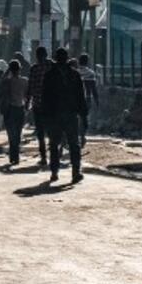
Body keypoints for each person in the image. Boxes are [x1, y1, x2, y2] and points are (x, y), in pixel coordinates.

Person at [40, 48, 87, 184]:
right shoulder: (74, 75)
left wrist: (45, 116)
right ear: (67, 58)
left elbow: (45, 97)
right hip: (70, 114)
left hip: (55, 115)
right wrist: (83, 114)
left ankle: (55, 171)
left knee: (55, 144)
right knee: (73, 144)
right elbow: (81, 96)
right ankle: (75, 171)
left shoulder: (50, 75)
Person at [25, 47, 51, 168]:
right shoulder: (52, 66)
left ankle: (44, 157)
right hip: (51, 105)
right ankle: (54, 153)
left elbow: (30, 87)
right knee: (52, 131)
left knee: (40, 133)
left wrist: (27, 102)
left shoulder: (34, 69)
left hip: (38, 105)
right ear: (46, 55)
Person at [0, 60, 29, 166]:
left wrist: (8, 71)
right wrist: (27, 106)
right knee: (18, 134)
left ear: (10, 70)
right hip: (20, 109)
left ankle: (13, 156)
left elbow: (1, 81)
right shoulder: (25, 81)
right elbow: (28, 95)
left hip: (10, 110)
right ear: (20, 69)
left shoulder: (8, 81)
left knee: (11, 134)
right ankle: (16, 156)